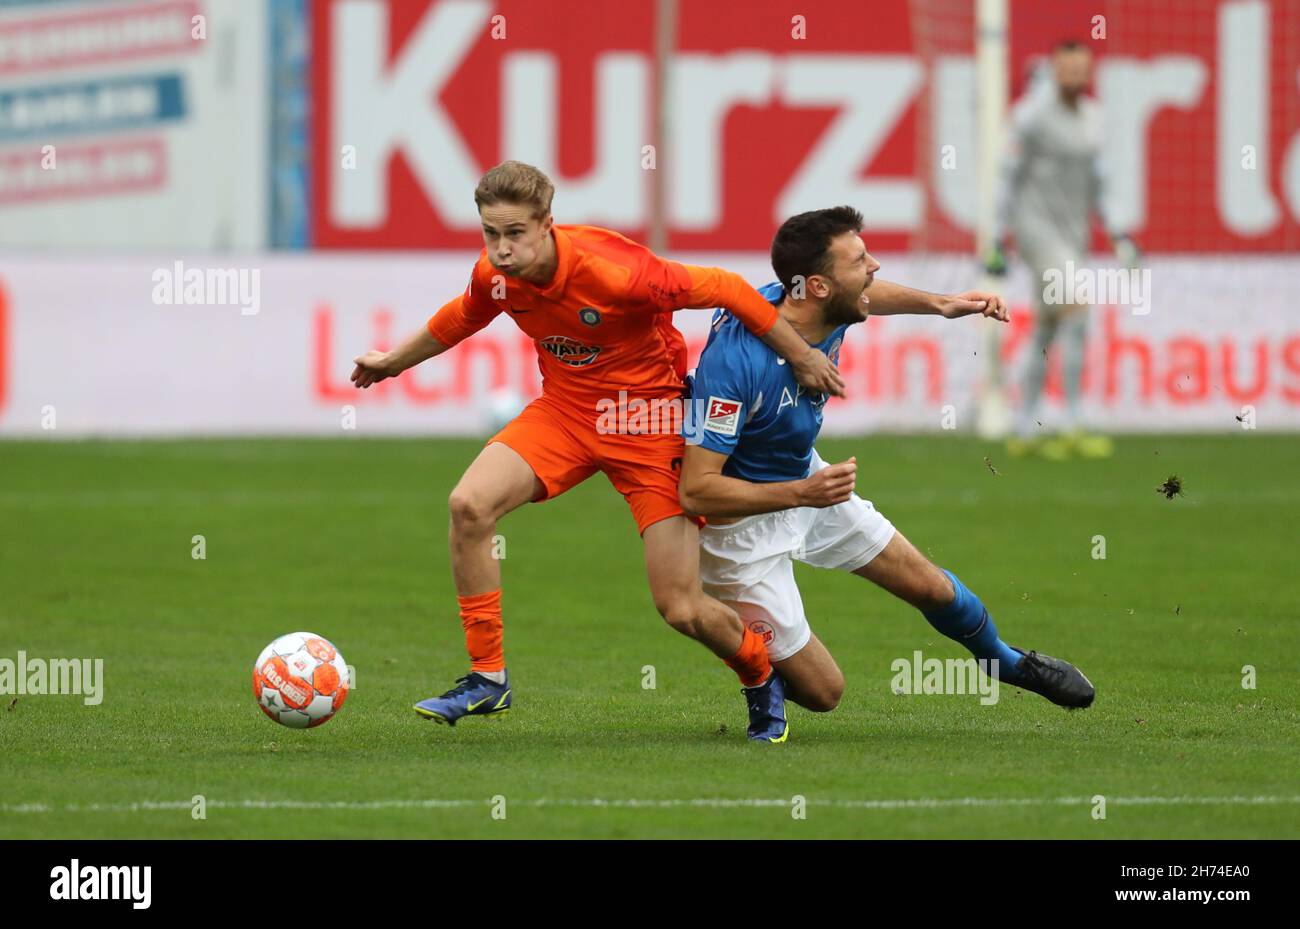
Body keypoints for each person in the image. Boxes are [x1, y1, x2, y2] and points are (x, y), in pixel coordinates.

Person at [350, 160, 844, 725]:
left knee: (680, 607)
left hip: (649, 425)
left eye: (515, 233)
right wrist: (393, 362)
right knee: (468, 505)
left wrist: (802, 355)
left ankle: (758, 674)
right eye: (491, 233)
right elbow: (464, 316)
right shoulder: (496, 274)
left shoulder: (618, 272)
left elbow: (730, 289)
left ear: (547, 225)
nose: (502, 249)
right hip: (566, 414)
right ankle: (488, 678)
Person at [680, 206, 1096, 742]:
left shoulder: (818, 305)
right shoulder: (735, 366)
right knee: (824, 693)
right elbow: (696, 490)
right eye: (860, 261)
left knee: (931, 588)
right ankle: (755, 671)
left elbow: (874, 297)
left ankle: (1005, 662)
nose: (874, 266)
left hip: (807, 483)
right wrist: (802, 493)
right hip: (739, 527)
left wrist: (940, 303)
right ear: (818, 286)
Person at [986, 40, 1141, 460]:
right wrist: (997, 237)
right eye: (1067, 70)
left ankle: (1023, 427)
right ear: (1054, 71)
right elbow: (1007, 179)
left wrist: (1118, 233)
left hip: (1073, 234)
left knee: (1047, 326)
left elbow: (1101, 184)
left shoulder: (1093, 119)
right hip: (1035, 230)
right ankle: (1074, 421)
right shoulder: (1031, 116)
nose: (1076, 77)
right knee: (1077, 307)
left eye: (1082, 70)